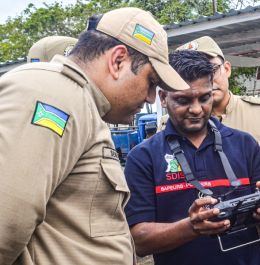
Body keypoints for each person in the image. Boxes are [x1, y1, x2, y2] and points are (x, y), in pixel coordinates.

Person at [0, 7, 188, 265]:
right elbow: (7, 220)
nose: (150, 98)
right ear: (118, 61)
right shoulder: (53, 95)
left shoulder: (79, 102)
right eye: (151, 81)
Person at [124, 49, 260, 265]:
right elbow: (139, 240)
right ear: (163, 98)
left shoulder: (244, 144)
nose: (196, 109)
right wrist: (191, 227)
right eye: (183, 100)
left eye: (204, 98)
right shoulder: (143, 157)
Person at [160, 36, 260, 176]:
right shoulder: (169, 124)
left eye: (211, 70)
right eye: (193, 74)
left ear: (227, 69)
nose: (207, 80)